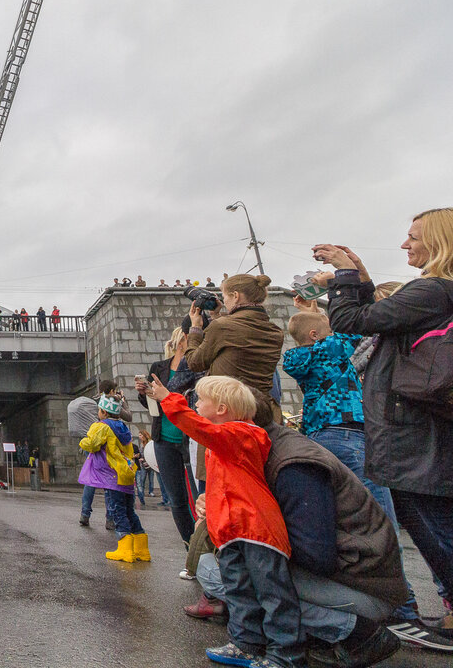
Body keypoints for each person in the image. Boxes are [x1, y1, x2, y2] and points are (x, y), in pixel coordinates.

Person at [189, 398, 409, 668]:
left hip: (364, 590)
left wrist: (244, 523)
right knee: (213, 567)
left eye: (203, 406)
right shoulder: (253, 451)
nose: (197, 414)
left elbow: (317, 555)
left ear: (232, 417)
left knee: (226, 573)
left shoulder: (293, 465)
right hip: (347, 578)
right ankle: (290, 635)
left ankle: (357, 633)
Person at [318, 208, 453, 645]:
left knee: (434, 525)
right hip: (421, 428)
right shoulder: (435, 295)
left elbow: (350, 322)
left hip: (415, 431)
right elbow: (386, 314)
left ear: (439, 241)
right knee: (433, 523)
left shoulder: (433, 290)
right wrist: (357, 277)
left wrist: (342, 273)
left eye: (413, 237)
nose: (405, 244)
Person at [152, 374, 305, 668]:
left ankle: (286, 656)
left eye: (201, 400)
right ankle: (246, 643)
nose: (196, 404)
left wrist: (167, 399)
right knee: (239, 590)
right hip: (235, 530)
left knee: (273, 593)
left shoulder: (242, 434)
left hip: (255, 529)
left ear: (222, 409)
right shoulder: (228, 439)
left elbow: (199, 428)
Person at [136, 327, 205, 545]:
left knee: (199, 497)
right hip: (164, 438)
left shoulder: (199, 366)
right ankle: (191, 546)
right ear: (181, 340)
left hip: (191, 437)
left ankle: (206, 547)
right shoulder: (159, 367)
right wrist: (143, 392)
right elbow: (151, 404)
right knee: (177, 499)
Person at [186, 273, 285, 418]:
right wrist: (216, 317)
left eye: (225, 297)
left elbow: (194, 362)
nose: (224, 301)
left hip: (228, 412)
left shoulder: (222, 327)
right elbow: (237, 346)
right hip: (261, 410)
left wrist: (195, 329)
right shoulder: (275, 331)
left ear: (236, 296)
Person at [79, 393, 148, 563]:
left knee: (117, 511)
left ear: (103, 411)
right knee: (129, 511)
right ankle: (142, 549)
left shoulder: (101, 426)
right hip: (126, 473)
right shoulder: (123, 427)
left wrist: (83, 441)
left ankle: (125, 550)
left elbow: (92, 444)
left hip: (111, 475)